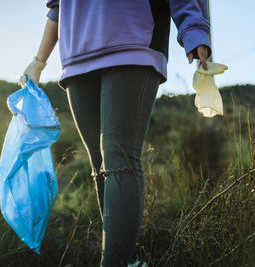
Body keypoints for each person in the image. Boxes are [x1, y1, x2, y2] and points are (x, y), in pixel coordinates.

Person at [18, 1, 211, 266]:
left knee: (119, 160)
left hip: (133, 41)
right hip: (76, 57)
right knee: (101, 166)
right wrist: (38, 62)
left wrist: (194, 29)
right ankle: (129, 259)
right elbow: (58, 7)